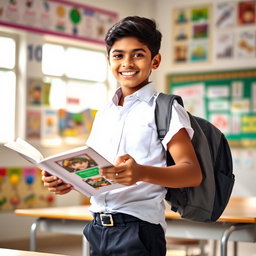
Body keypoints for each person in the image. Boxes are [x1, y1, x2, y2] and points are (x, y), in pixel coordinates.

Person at [42, 16, 202, 256]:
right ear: (109, 60)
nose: (127, 63)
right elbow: (99, 173)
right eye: (118, 55)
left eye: (138, 54)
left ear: (155, 61)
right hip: (97, 227)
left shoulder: (165, 109)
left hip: (139, 229)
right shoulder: (105, 112)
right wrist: (68, 180)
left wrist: (141, 173)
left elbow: (191, 173)